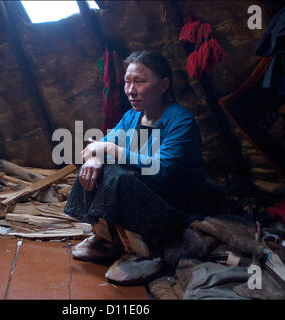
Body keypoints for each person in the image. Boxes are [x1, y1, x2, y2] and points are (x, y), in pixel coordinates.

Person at [64, 50, 207, 284]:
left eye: (140, 82)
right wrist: (95, 158)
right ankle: (107, 239)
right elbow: (102, 145)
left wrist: (109, 151)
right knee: (98, 168)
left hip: (174, 201)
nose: (131, 90)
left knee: (118, 176)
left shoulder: (180, 120)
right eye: (127, 82)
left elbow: (159, 169)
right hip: (143, 191)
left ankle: (147, 253)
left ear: (163, 85)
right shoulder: (132, 116)